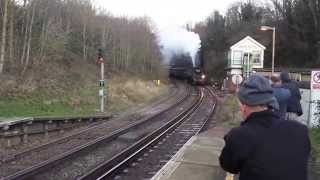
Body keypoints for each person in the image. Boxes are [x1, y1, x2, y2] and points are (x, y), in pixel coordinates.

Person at [219, 75, 310, 180]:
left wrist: (231, 141)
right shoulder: (300, 131)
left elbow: (229, 166)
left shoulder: (239, 136)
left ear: (243, 106)